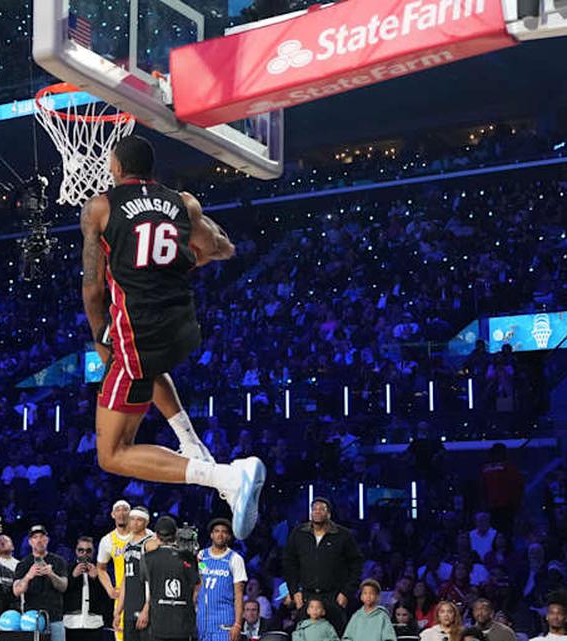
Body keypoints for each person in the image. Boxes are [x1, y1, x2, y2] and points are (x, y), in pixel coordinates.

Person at [80, 134, 265, 540]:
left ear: (115, 165)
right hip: (179, 327)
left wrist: (99, 337)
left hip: (137, 329)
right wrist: (203, 254)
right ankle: (191, 443)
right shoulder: (184, 202)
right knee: (151, 365)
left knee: (111, 455)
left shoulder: (100, 206)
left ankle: (223, 476)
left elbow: (92, 288)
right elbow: (217, 247)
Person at [282, 497, 364, 635]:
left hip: (334, 596)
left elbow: (357, 563)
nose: (317, 512)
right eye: (314, 509)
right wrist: (294, 591)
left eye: (322, 509)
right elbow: (289, 563)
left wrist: (346, 592)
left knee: (337, 635)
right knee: (302, 635)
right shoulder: (299, 533)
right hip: (306, 596)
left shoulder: (342, 535)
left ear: (329, 514)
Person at [141, 516, 201, 641]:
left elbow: (146, 584)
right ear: (175, 535)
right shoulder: (188, 559)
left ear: (156, 535)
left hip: (159, 624)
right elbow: (197, 585)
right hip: (183, 624)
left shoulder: (147, 559)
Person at [14, 525, 69, 641]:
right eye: (35, 537)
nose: (39, 540)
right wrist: (29, 576)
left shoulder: (58, 561)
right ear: (30, 542)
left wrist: (51, 574)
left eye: (42, 537)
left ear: (47, 540)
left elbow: (63, 586)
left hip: (55, 619)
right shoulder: (23, 564)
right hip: (31, 620)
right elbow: (16, 591)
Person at [196, 518, 247, 641]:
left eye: (224, 532)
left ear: (229, 536)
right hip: (202, 622)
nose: (220, 534)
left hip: (225, 623)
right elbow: (199, 581)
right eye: (217, 531)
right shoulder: (202, 557)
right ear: (211, 535)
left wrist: (238, 624)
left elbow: (239, 595)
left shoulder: (235, 559)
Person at [115, 507, 157, 641]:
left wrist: (147, 609)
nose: (134, 523)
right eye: (132, 519)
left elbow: (155, 580)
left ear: (146, 522)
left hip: (144, 608)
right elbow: (125, 580)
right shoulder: (127, 546)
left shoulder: (150, 544)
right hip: (129, 609)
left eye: (139, 520)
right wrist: (118, 611)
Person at [100, 500, 137, 639]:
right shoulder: (107, 540)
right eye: (118, 510)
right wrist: (109, 589)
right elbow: (101, 568)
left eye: (125, 509)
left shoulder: (145, 535)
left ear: (130, 513)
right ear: (112, 514)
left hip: (143, 596)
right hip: (122, 598)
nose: (121, 513)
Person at [64, 536, 113, 641]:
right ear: (76, 551)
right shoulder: (66, 570)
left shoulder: (102, 572)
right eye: (81, 550)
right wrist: (73, 577)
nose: (84, 554)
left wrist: (96, 579)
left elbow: (107, 598)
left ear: (93, 552)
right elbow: (62, 593)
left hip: (94, 625)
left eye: (88, 551)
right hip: (71, 624)